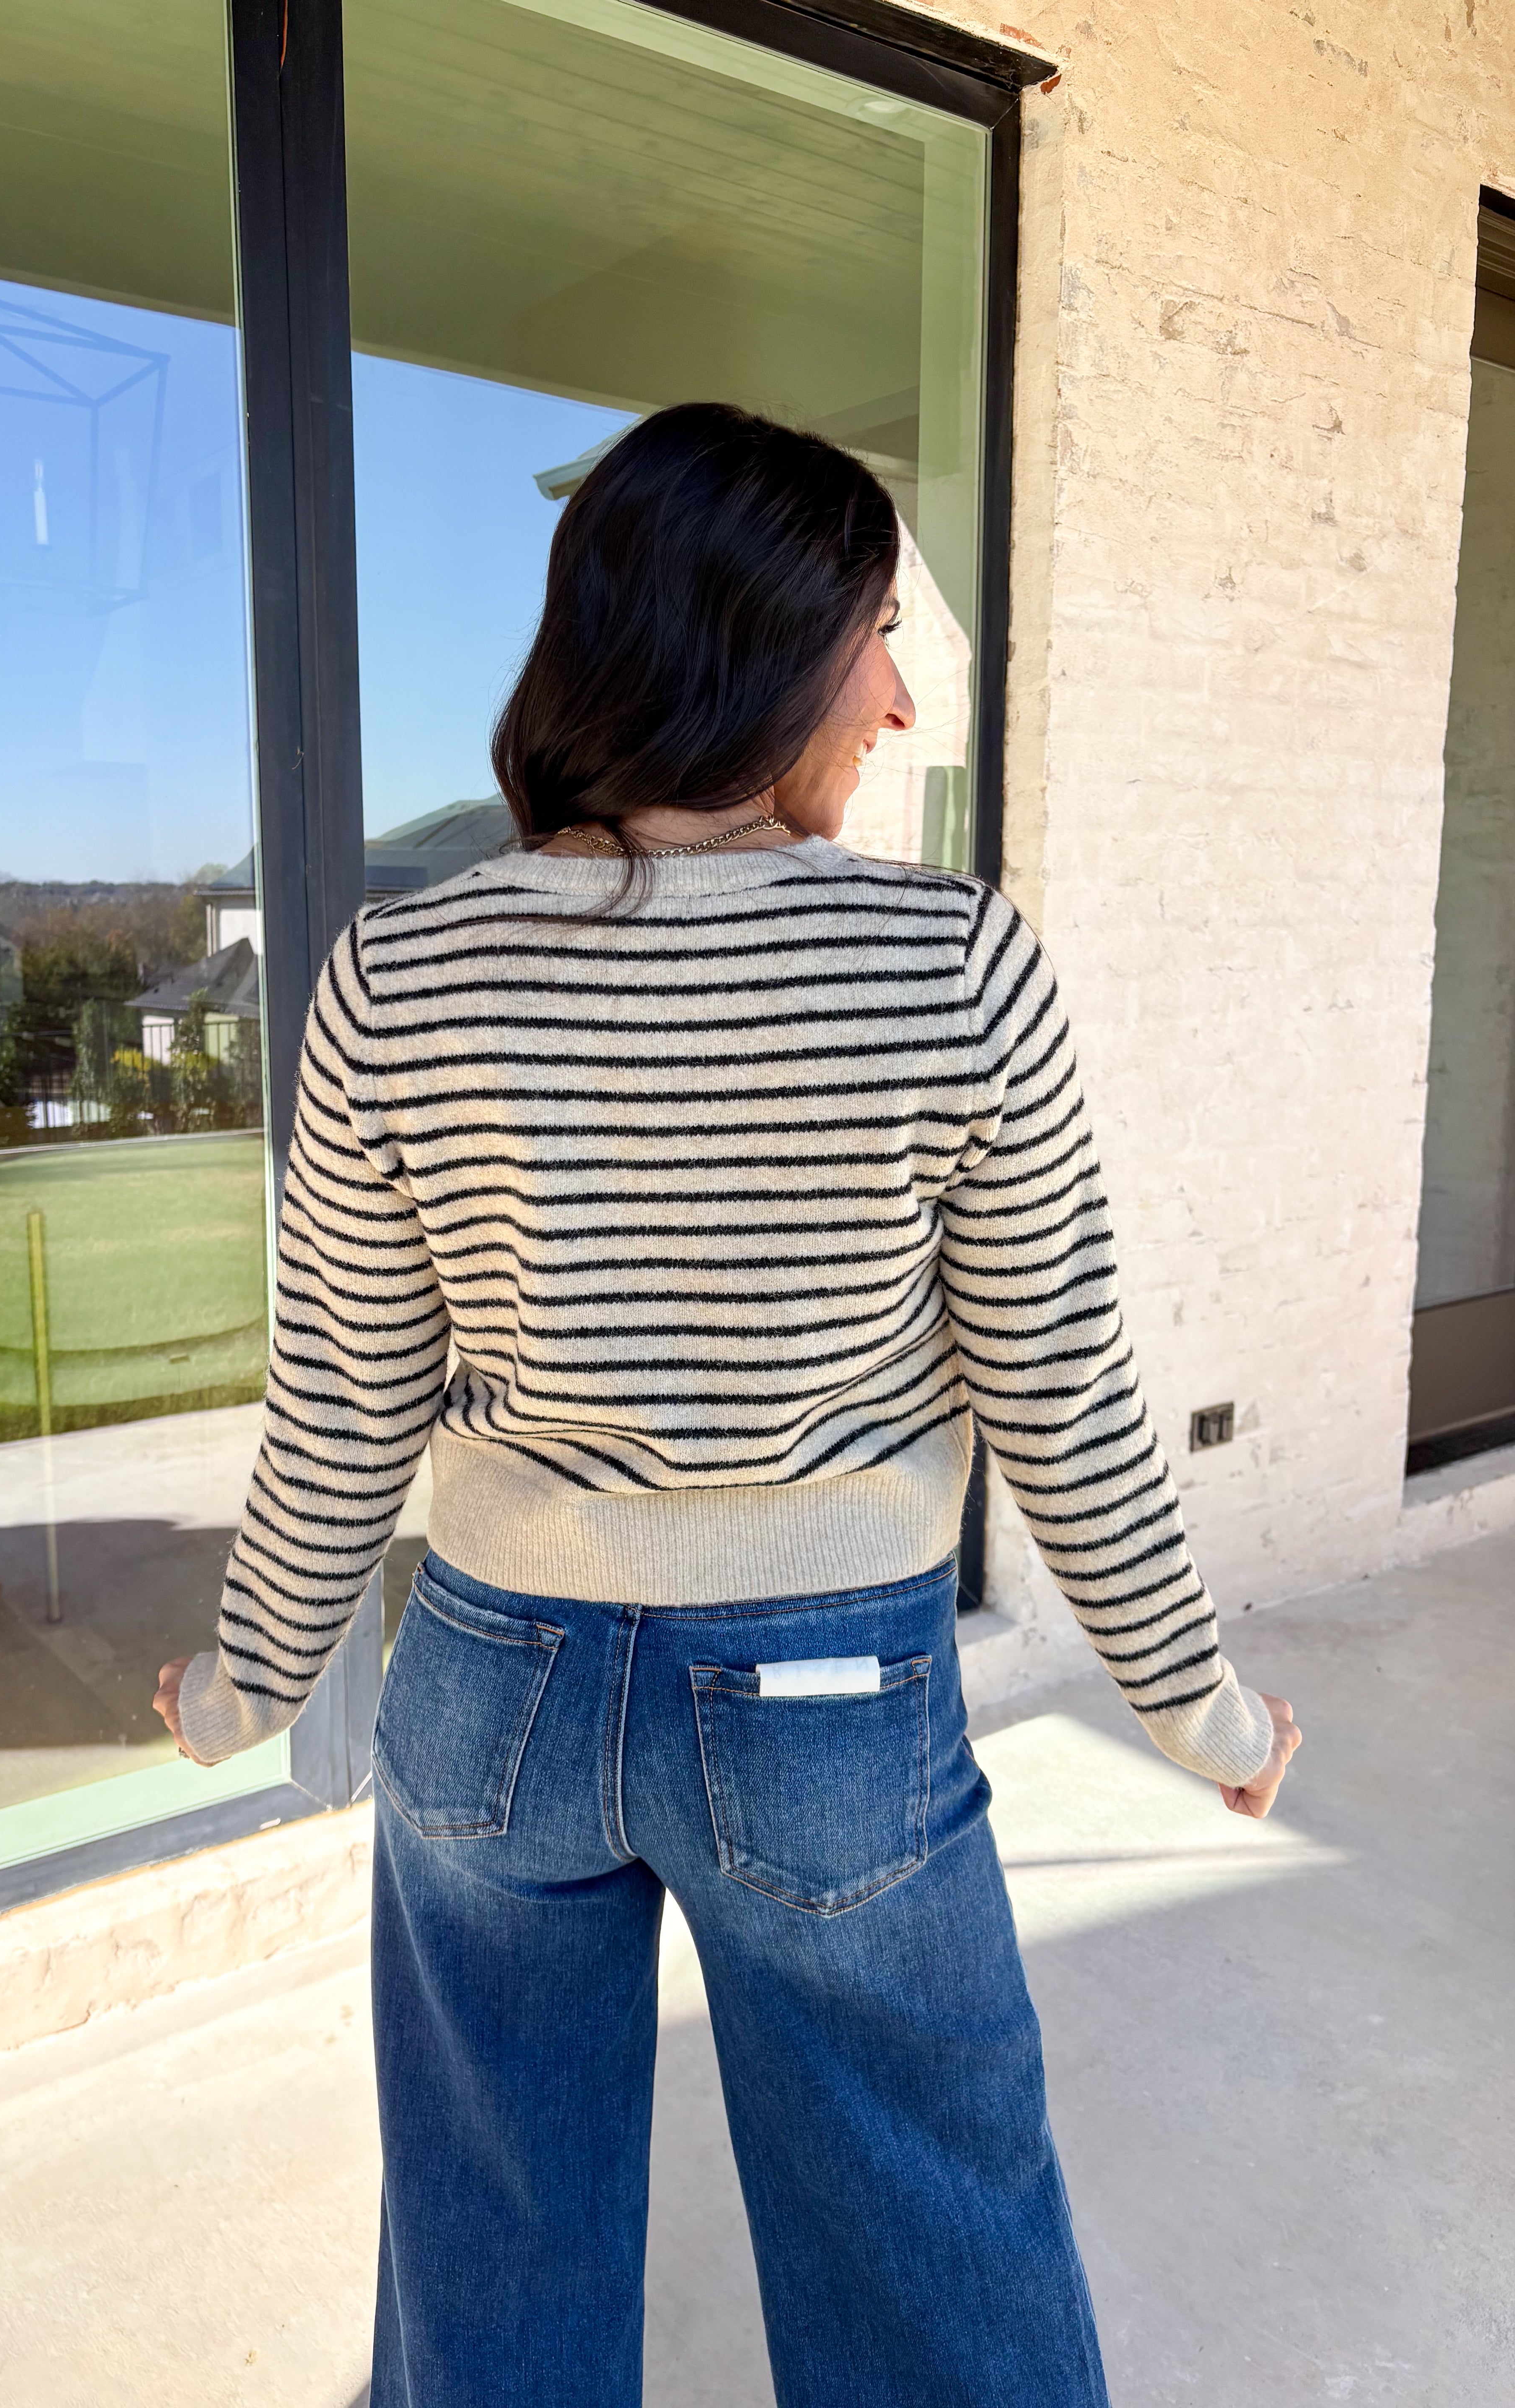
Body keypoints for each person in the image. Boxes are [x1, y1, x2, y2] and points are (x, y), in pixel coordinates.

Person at [155, 403, 1301, 2407]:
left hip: (490, 1686)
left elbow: (345, 1385)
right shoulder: (948, 962)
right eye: (872, 624)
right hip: (829, 1710)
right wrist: (1196, 1699)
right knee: (932, 2256)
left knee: (490, 2257)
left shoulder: (396, 974)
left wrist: (252, 1674)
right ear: (759, 646)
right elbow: (1063, 1390)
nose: (899, 685)